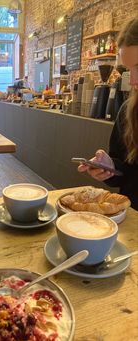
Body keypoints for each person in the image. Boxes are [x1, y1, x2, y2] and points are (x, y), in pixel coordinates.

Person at [78, 18, 138, 210]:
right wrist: (111, 167)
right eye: (129, 70)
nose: (133, 81)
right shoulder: (127, 113)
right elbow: (128, 176)